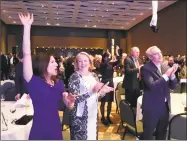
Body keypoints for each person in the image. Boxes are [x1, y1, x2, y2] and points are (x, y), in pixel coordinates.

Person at [19, 13, 75, 140]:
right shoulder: (33, 82)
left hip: (55, 129)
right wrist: (27, 27)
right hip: (39, 130)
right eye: (52, 62)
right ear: (43, 64)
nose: (56, 64)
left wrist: (69, 102)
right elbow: (27, 54)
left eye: (56, 61)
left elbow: (67, 103)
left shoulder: (59, 83)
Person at [68, 52, 113, 140]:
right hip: (80, 117)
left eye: (85, 61)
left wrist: (102, 92)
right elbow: (74, 100)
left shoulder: (94, 75)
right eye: (80, 61)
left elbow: (96, 96)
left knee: (92, 137)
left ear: (89, 62)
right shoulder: (74, 77)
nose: (83, 63)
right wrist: (92, 91)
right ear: (76, 63)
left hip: (93, 113)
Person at [141, 46, 178, 140]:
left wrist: (172, 76)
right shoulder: (146, 68)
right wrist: (166, 75)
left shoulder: (164, 67)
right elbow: (152, 86)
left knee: (162, 134)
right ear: (150, 57)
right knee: (148, 135)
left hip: (165, 107)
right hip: (152, 108)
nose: (160, 55)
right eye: (156, 53)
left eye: (160, 52)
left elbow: (173, 86)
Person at [99, 46, 120, 125]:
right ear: (104, 58)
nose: (108, 58)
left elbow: (119, 62)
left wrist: (117, 52)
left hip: (110, 83)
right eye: (107, 57)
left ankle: (108, 116)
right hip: (104, 84)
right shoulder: (102, 64)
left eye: (108, 57)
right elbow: (106, 62)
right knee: (103, 101)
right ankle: (103, 117)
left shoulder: (111, 64)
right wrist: (109, 55)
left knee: (110, 101)